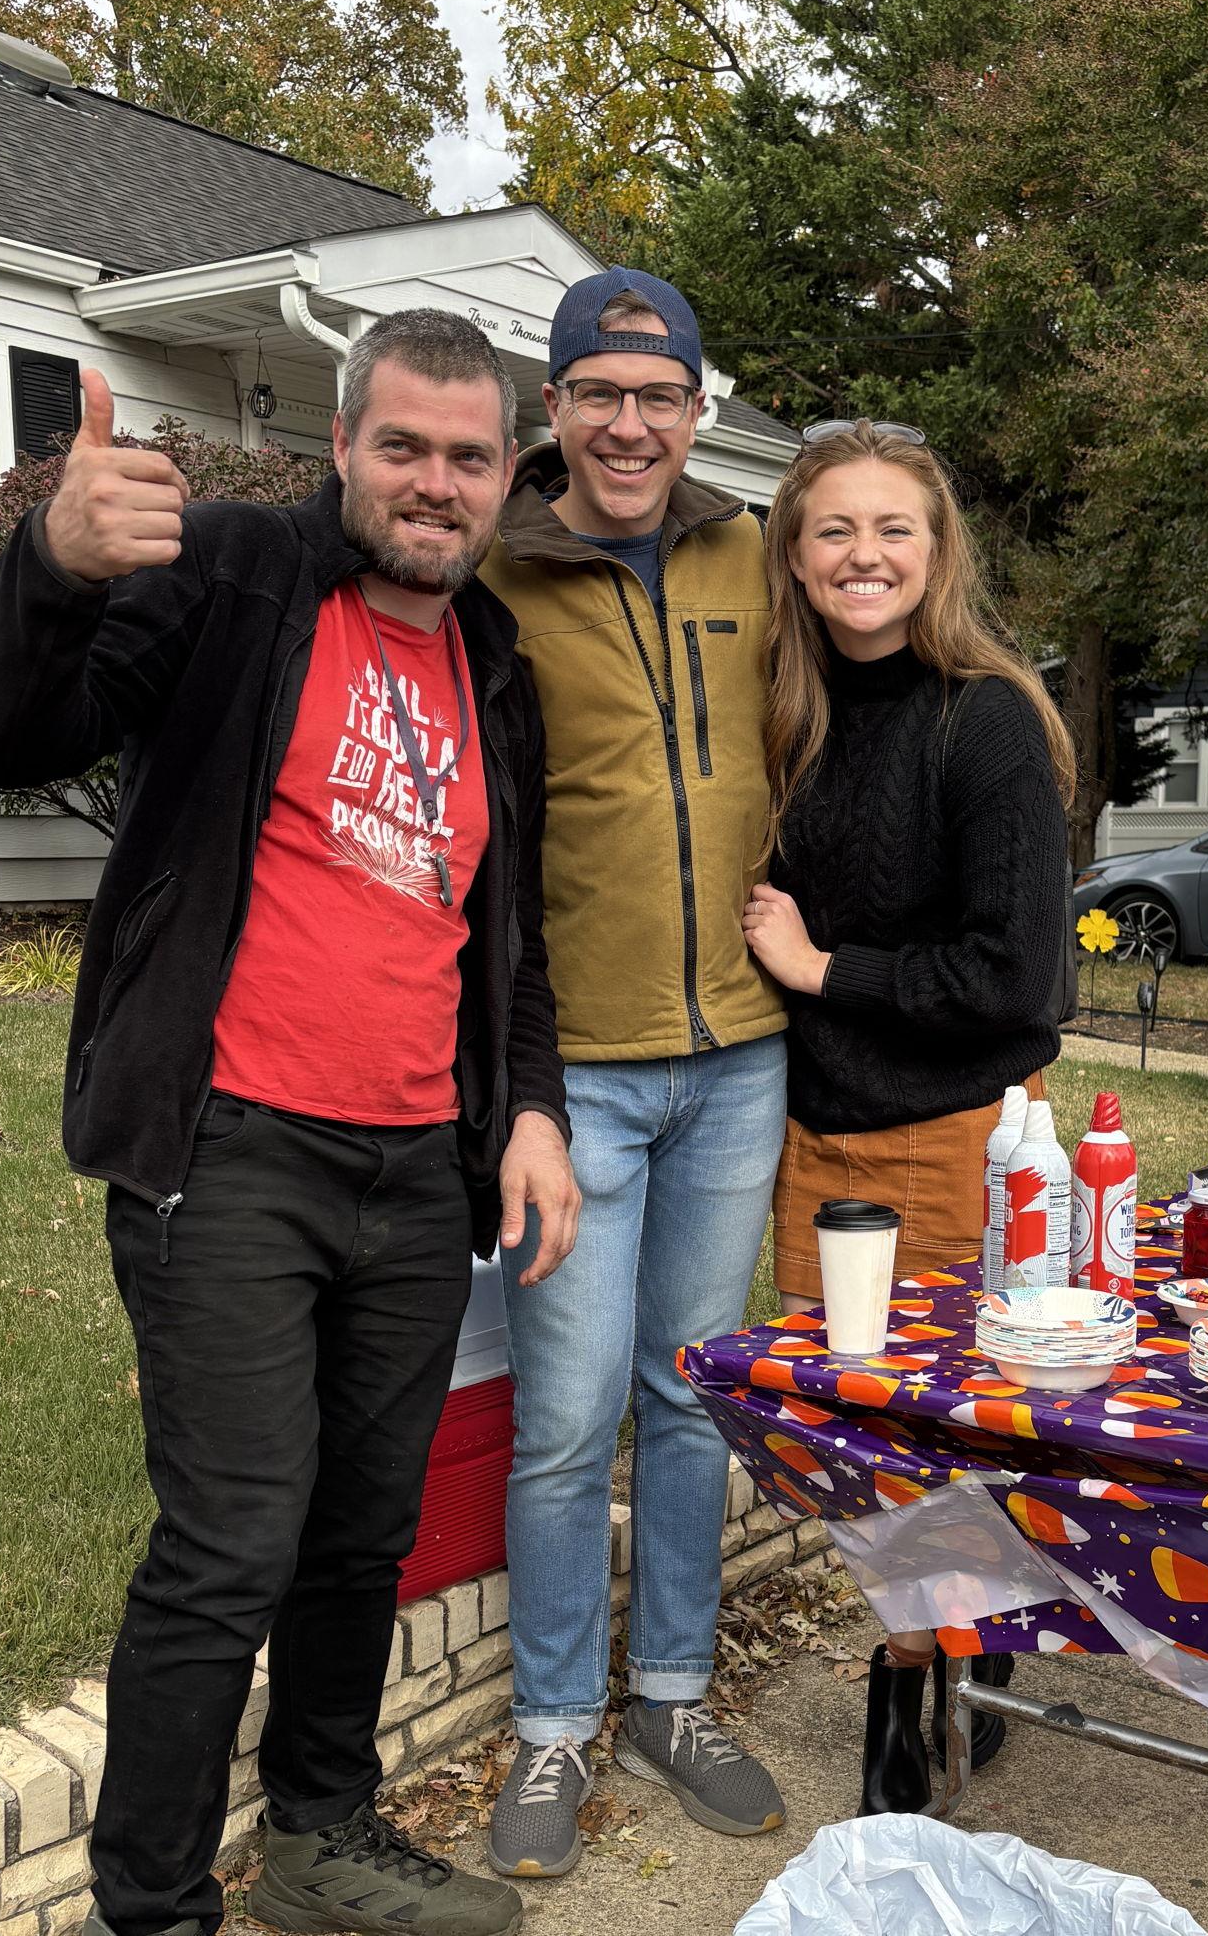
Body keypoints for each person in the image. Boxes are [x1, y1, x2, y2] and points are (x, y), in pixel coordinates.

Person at [0, 310, 578, 1936]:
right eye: (404, 449)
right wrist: (52, 561)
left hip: (417, 1169)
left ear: (505, 476)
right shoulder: (230, 577)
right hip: (226, 1150)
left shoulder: (497, 667)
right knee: (231, 1543)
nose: (435, 486)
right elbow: (10, 739)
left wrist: (527, 1112)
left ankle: (319, 1835)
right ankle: (151, 1909)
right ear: (344, 448)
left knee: (360, 1533)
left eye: (467, 458)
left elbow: (511, 936)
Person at [478, 269, 790, 1878]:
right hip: (576, 1075)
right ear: (555, 412)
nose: (627, 423)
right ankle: (549, 1729)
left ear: (694, 408)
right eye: (597, 394)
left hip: (741, 1062)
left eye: (656, 395)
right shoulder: (498, 570)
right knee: (566, 1416)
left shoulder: (757, 556)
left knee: (689, 1402)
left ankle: (669, 1693)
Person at [737, 419, 1074, 1813]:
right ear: (796, 557)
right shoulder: (790, 710)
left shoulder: (983, 717)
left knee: (933, 1434)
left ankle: (925, 1686)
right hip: (813, 1131)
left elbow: (1020, 978)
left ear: (937, 554)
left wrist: (827, 969)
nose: (864, 554)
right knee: (860, 1440)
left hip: (950, 1129)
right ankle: (943, 1661)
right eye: (835, 530)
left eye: (894, 530)